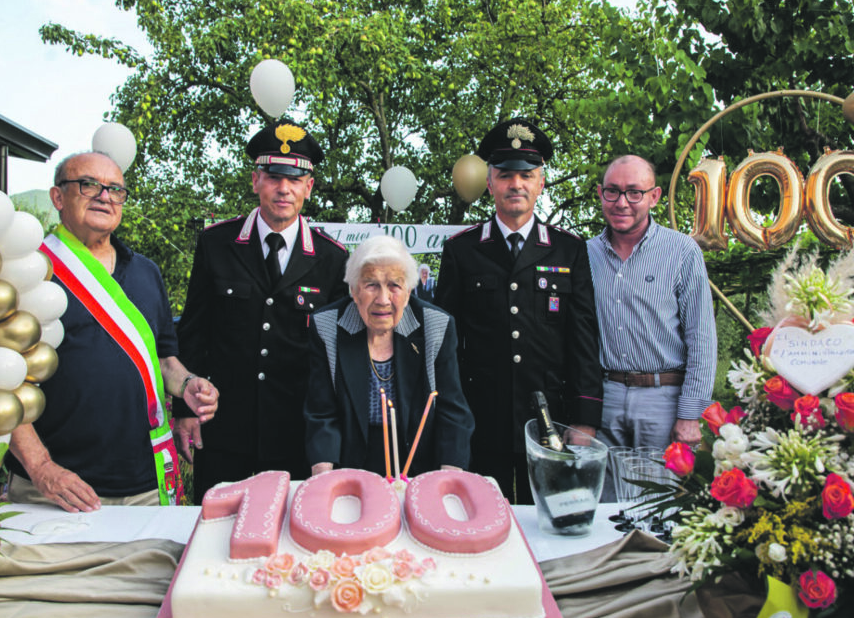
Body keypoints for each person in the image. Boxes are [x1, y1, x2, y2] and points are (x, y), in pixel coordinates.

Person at [6, 152, 219, 512]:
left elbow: (164, 358)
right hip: (55, 488)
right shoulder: (29, 270)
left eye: (116, 190)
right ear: (58, 197)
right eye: (89, 185)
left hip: (145, 483)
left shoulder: (146, 272)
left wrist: (188, 385)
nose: (104, 196)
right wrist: (40, 467)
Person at [174, 120, 349, 500]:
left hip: (296, 432)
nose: (283, 189)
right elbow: (193, 332)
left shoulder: (332, 258)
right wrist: (183, 408)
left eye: (295, 179)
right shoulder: (216, 243)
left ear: (309, 187)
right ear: (256, 180)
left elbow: (335, 358)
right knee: (216, 530)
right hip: (222, 428)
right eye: (273, 177)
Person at [434, 118, 603, 503]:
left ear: (541, 182)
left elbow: (583, 337)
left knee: (550, 524)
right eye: (506, 174)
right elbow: (445, 342)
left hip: (550, 419)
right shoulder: (462, 250)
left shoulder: (568, 250)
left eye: (527, 174)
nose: (517, 184)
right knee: (479, 523)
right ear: (489, 182)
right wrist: (449, 415)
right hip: (480, 419)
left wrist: (584, 418)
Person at [306, 235, 472, 476]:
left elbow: (452, 412)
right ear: (353, 291)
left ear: (409, 291)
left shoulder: (435, 325)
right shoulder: (327, 325)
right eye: (371, 284)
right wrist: (324, 478)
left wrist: (448, 479)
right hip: (348, 464)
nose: (383, 299)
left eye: (394, 285)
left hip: (417, 465)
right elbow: (322, 413)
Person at [587, 155, 716, 453]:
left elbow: (702, 338)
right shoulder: (584, 255)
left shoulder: (682, 251)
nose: (622, 203)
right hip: (605, 399)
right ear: (600, 193)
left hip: (664, 399)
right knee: (607, 497)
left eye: (634, 192)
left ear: (654, 196)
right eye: (613, 191)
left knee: (662, 495)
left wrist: (690, 414)